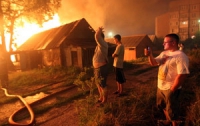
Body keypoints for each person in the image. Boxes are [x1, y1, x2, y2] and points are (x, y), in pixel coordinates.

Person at [146, 33, 190, 126]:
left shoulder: (181, 56)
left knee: (173, 111)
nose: (163, 44)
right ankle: (168, 121)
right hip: (160, 87)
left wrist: (172, 90)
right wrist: (149, 55)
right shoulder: (164, 53)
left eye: (165, 42)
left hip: (171, 88)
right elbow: (153, 63)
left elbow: (182, 74)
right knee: (163, 107)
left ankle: (174, 123)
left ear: (173, 43)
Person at [93, 27, 109, 106]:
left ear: (101, 38)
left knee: (103, 84)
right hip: (97, 68)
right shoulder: (99, 46)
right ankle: (101, 97)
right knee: (98, 84)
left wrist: (99, 30)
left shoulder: (103, 44)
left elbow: (97, 37)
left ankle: (105, 100)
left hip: (102, 68)